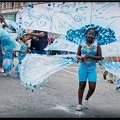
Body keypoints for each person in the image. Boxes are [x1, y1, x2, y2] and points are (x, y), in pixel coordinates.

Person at [76, 28, 103, 111]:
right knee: (81, 86)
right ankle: (79, 104)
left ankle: (86, 99)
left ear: (95, 36)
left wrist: (90, 56)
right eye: (89, 34)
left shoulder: (97, 45)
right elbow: (77, 55)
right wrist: (81, 57)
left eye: (92, 34)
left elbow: (100, 57)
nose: (90, 35)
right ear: (86, 34)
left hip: (92, 68)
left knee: (92, 87)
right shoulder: (81, 44)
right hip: (83, 68)